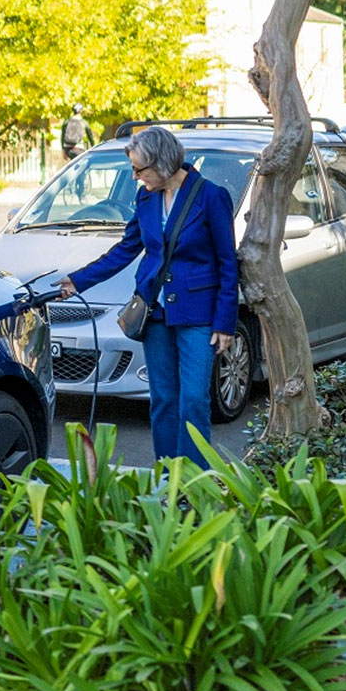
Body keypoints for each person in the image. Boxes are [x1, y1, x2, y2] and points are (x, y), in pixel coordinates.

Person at [56, 125, 238, 464]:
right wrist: (78, 281)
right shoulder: (146, 197)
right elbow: (126, 249)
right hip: (154, 312)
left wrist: (225, 322)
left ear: (163, 163)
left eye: (140, 169)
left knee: (194, 400)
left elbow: (228, 263)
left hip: (199, 315)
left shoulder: (211, 197)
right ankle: (167, 475)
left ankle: (196, 483)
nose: (136, 177)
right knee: (164, 399)